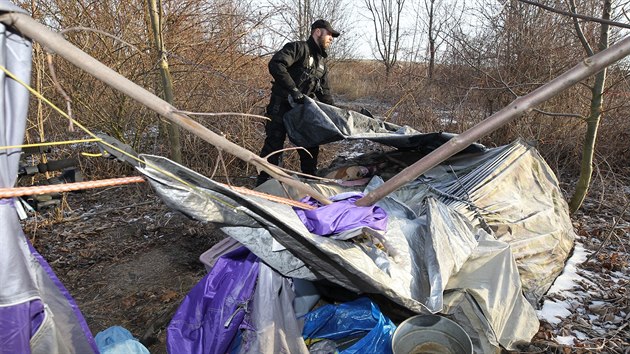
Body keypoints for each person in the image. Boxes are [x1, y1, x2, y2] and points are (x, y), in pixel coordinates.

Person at [256, 19, 340, 186]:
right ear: (317, 32)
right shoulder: (298, 48)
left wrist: (337, 116)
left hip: (302, 112)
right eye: (329, 34)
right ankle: (264, 184)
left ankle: (309, 183)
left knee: (310, 147)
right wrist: (293, 90)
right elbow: (276, 64)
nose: (331, 38)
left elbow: (326, 94)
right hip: (281, 106)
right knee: (274, 146)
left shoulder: (321, 64)